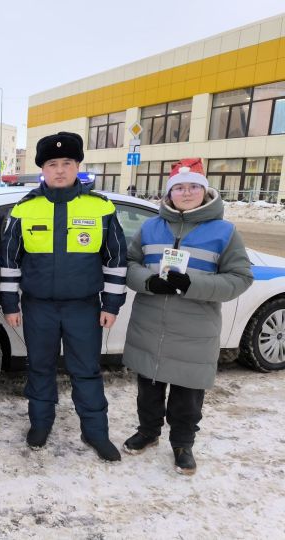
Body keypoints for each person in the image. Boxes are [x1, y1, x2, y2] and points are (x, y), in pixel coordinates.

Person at [0, 131, 127, 461]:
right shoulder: (24, 209)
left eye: (66, 163)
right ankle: (40, 424)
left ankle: (96, 433)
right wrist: (11, 304)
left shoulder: (100, 207)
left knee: (86, 371)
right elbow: (9, 261)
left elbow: (116, 259)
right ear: (42, 168)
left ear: (77, 166)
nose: (59, 170)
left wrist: (111, 304)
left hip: (83, 308)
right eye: (52, 164)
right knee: (40, 368)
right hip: (38, 307)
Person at [121, 158, 253, 474]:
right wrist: (149, 281)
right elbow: (130, 265)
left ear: (205, 191)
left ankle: (183, 444)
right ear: (169, 193)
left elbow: (240, 278)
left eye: (193, 186)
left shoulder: (224, 232)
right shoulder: (150, 227)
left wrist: (192, 284)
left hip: (196, 330)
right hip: (150, 324)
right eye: (179, 187)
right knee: (148, 388)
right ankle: (148, 432)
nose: (186, 192)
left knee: (187, 396)